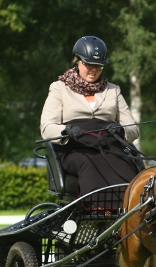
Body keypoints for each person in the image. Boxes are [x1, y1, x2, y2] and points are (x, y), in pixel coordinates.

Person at [40, 36, 142, 196]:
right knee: (88, 161)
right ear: (77, 61)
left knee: (126, 163)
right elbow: (47, 127)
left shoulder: (113, 90)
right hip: (75, 147)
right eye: (89, 65)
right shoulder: (59, 88)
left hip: (108, 146)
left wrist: (121, 129)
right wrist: (65, 130)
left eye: (99, 66)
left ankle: (127, 208)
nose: (94, 70)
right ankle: (94, 207)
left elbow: (133, 129)